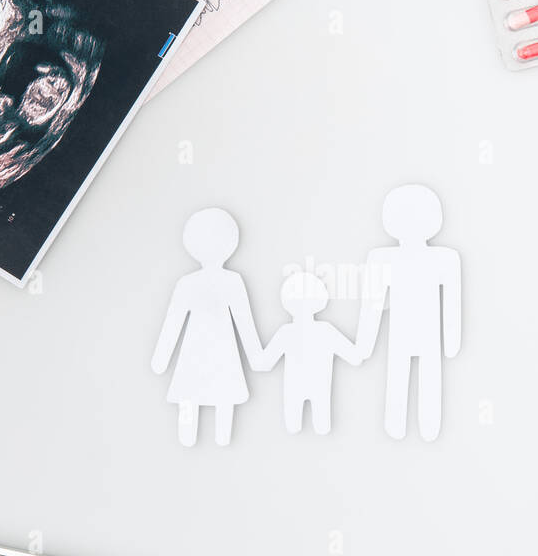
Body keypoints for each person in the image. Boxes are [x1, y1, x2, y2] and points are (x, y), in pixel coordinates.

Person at [355, 184, 461, 441]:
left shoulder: (442, 259)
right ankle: (409, 426)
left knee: (411, 378)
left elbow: (372, 305)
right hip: (416, 333)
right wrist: (451, 343)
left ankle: (415, 427)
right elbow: (372, 303)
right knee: (413, 378)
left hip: (417, 333)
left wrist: (365, 344)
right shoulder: (440, 258)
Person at [151, 209, 264, 446]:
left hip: (198, 351)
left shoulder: (189, 282)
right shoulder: (230, 281)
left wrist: (160, 361)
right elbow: (245, 323)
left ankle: (194, 437)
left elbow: (173, 323)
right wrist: (256, 357)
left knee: (191, 395)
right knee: (219, 396)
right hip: (221, 353)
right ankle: (216, 437)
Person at [259, 272, 361, 435]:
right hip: (319, 388)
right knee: (322, 427)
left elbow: (264, 363)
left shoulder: (287, 332)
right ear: (320, 300)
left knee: (294, 426)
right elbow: (355, 357)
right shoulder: (326, 330)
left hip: (295, 389)